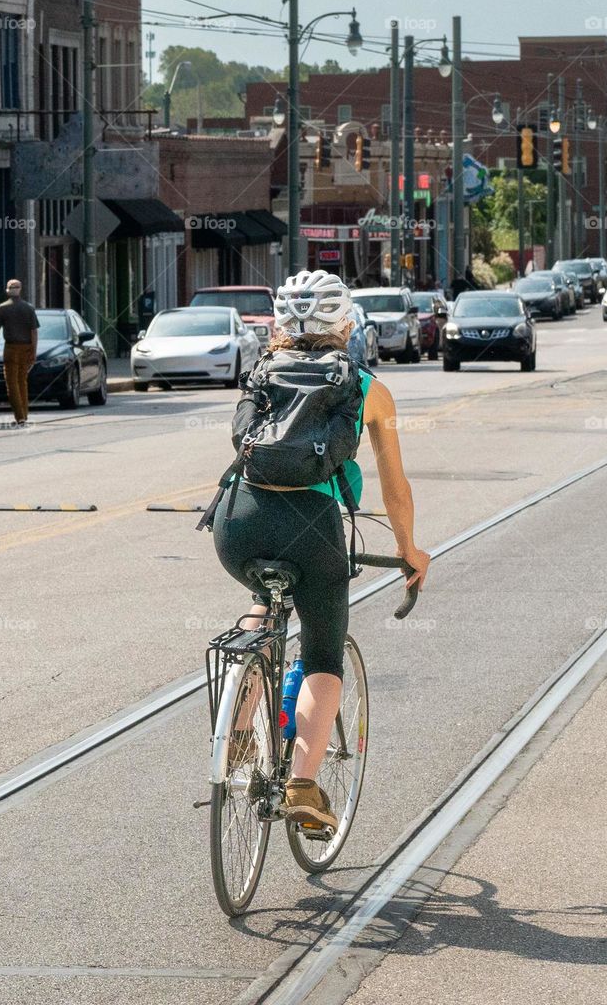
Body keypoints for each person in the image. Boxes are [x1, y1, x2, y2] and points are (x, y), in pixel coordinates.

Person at [211, 270, 430, 833]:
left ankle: (235, 734)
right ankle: (303, 785)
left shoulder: (259, 372)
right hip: (311, 528)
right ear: (347, 323)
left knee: (262, 605)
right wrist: (409, 550)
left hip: (237, 526)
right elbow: (394, 486)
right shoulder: (366, 388)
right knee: (323, 653)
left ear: (280, 324)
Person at [0, 278, 39, 425]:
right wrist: (33, 350)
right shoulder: (29, 308)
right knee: (22, 381)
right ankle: (24, 413)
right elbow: (34, 331)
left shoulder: (2, 308)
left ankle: (20, 416)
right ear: (20, 289)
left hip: (11, 348)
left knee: (12, 383)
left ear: (7, 290)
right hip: (26, 347)